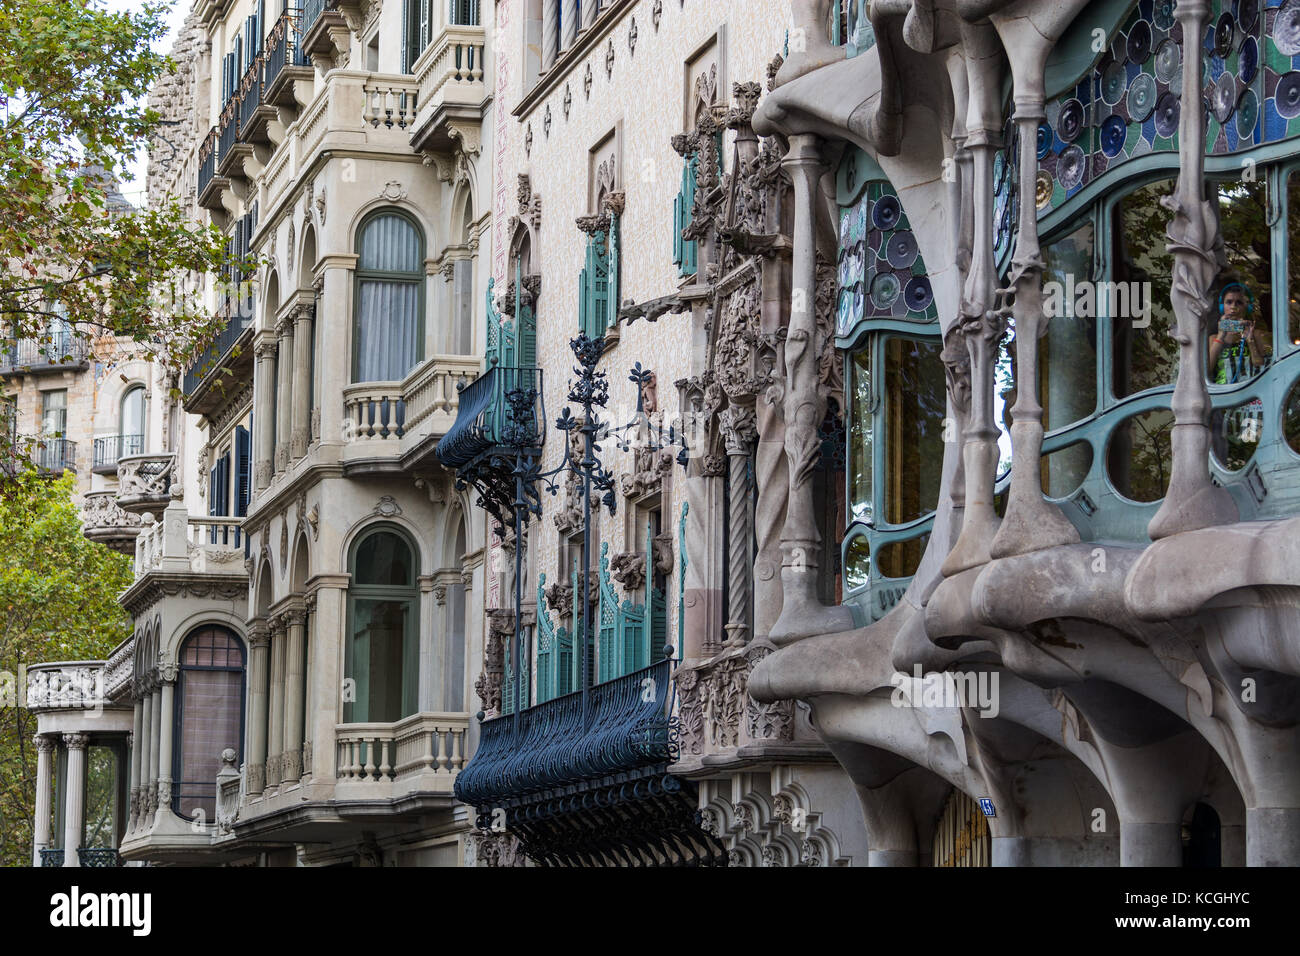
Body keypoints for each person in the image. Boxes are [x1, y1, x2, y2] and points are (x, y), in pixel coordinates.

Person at [1209, 282, 1271, 384]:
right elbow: (1205, 372)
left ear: (1248, 308)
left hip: (1251, 394)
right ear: (1222, 307)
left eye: (1239, 303)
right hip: (1223, 394)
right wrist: (1220, 336)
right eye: (1229, 302)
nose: (1233, 307)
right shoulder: (1214, 338)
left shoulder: (1257, 335)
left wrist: (1250, 341)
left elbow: (1263, 367)